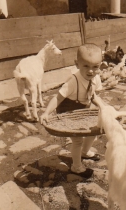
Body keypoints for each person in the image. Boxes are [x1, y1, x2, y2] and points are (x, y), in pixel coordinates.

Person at [40, 43, 103, 178]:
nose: (91, 71)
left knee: (93, 131)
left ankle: (85, 152)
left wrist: (103, 107)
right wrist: (46, 112)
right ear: (77, 64)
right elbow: (57, 98)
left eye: (95, 67)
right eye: (86, 65)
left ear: (100, 65)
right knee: (77, 140)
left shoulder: (96, 78)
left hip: (84, 109)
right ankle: (76, 166)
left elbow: (93, 95)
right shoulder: (73, 81)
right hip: (68, 111)